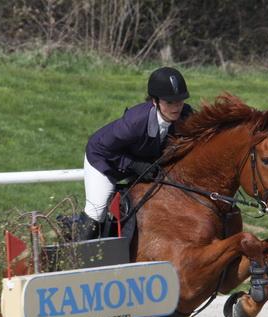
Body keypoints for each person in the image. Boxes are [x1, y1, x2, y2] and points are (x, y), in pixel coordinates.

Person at [79, 66, 194, 240]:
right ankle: (76, 251)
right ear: (155, 101)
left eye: (180, 101)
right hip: (103, 159)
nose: (176, 107)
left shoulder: (186, 115)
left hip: (141, 163)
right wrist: (133, 164)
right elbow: (104, 148)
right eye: (169, 102)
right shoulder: (135, 122)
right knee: (97, 209)